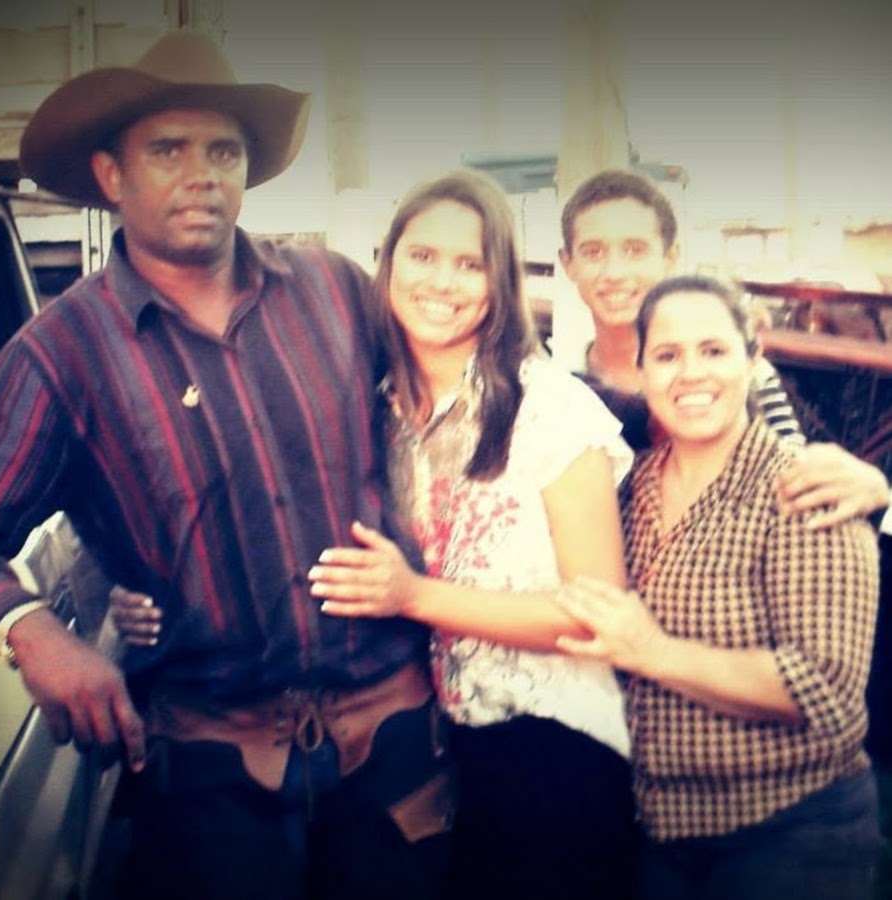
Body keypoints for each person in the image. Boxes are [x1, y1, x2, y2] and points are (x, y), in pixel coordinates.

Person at [0, 30, 454, 900]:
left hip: (392, 747)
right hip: (209, 773)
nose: (201, 174)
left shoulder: (336, 291)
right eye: (168, 150)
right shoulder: (60, 355)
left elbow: (472, 391)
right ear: (111, 175)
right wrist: (31, 628)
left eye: (223, 152)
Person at [303, 168, 636, 900]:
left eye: (470, 263)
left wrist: (414, 596)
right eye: (423, 256)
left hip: (552, 746)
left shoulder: (549, 409)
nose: (442, 282)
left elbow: (597, 616)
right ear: (388, 264)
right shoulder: (378, 411)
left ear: (499, 282)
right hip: (433, 743)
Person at [556, 275, 880, 900]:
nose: (691, 373)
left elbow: (826, 690)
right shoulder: (633, 484)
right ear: (642, 371)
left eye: (713, 350)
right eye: (667, 355)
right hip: (662, 828)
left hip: (791, 829)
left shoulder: (804, 489)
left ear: (754, 359)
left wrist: (652, 651)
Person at [558, 168, 891, 527]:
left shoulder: (737, 375)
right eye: (593, 252)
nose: (614, 272)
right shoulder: (558, 389)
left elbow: (793, 473)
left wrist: (873, 489)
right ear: (567, 263)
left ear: (670, 257)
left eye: (634, 250)